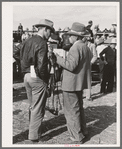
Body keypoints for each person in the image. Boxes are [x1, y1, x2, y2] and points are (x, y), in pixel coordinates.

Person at [54, 22, 91, 143]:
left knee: (71, 111)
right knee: (79, 108)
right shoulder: (85, 46)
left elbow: (71, 65)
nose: (69, 37)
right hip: (78, 83)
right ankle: (83, 131)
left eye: (70, 35)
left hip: (70, 84)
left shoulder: (75, 47)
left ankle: (76, 137)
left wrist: (57, 59)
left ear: (75, 36)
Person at [19, 19, 55, 143]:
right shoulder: (42, 43)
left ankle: (33, 129)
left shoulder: (27, 40)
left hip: (26, 76)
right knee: (38, 108)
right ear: (45, 29)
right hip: (37, 78)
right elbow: (41, 66)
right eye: (50, 31)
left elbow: (18, 55)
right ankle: (35, 136)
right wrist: (46, 80)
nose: (50, 34)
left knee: (32, 106)